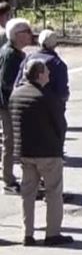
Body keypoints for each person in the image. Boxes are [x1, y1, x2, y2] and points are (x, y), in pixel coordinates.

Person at [12, 59, 71, 246]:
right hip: (48, 152)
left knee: (27, 193)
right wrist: (59, 145)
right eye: (46, 71)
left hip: (25, 151)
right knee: (53, 192)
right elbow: (60, 124)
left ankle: (27, 233)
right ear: (39, 75)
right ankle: (52, 233)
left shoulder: (16, 95)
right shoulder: (47, 96)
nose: (49, 74)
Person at [0, 17, 33, 191]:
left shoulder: (16, 53)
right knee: (10, 141)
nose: (30, 34)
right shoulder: (10, 55)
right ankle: (8, 179)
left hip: (12, 103)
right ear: (17, 35)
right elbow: (6, 83)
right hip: (8, 105)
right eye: (27, 31)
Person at [20, 30, 69, 110]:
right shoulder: (58, 64)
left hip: (26, 105)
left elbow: (18, 83)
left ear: (39, 42)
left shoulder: (28, 59)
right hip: (50, 108)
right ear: (55, 45)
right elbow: (62, 93)